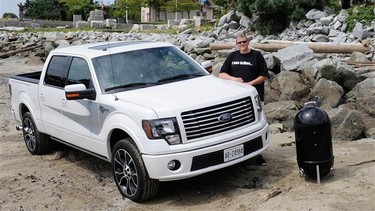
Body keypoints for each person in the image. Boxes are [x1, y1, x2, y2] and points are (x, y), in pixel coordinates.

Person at [219, 34, 269, 102]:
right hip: (236, 95)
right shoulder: (232, 56)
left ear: (248, 42)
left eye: (244, 42)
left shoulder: (257, 55)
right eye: (239, 42)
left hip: (254, 95)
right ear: (236, 44)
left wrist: (250, 83)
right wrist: (234, 79)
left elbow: (264, 75)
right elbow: (221, 74)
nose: (242, 44)